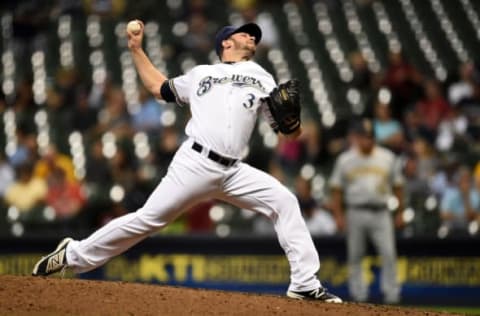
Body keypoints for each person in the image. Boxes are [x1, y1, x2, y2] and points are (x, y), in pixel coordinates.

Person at [32, 21, 342, 303]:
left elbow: (288, 133)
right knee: (147, 220)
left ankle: (304, 282)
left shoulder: (262, 76)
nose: (252, 36)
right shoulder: (201, 74)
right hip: (195, 162)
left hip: (233, 170)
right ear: (226, 43)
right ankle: (72, 254)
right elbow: (159, 88)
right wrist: (136, 50)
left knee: (284, 200)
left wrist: (292, 122)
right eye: (244, 32)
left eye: (254, 35)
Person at [329, 118, 404, 304]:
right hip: (355, 211)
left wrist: (401, 212)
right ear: (357, 137)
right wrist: (338, 215)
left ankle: (392, 295)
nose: (367, 141)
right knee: (355, 255)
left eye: (370, 137)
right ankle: (359, 295)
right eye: (363, 136)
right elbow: (336, 190)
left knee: (388, 253)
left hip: (381, 211)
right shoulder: (345, 159)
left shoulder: (387, 157)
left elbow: (398, 186)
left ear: (374, 138)